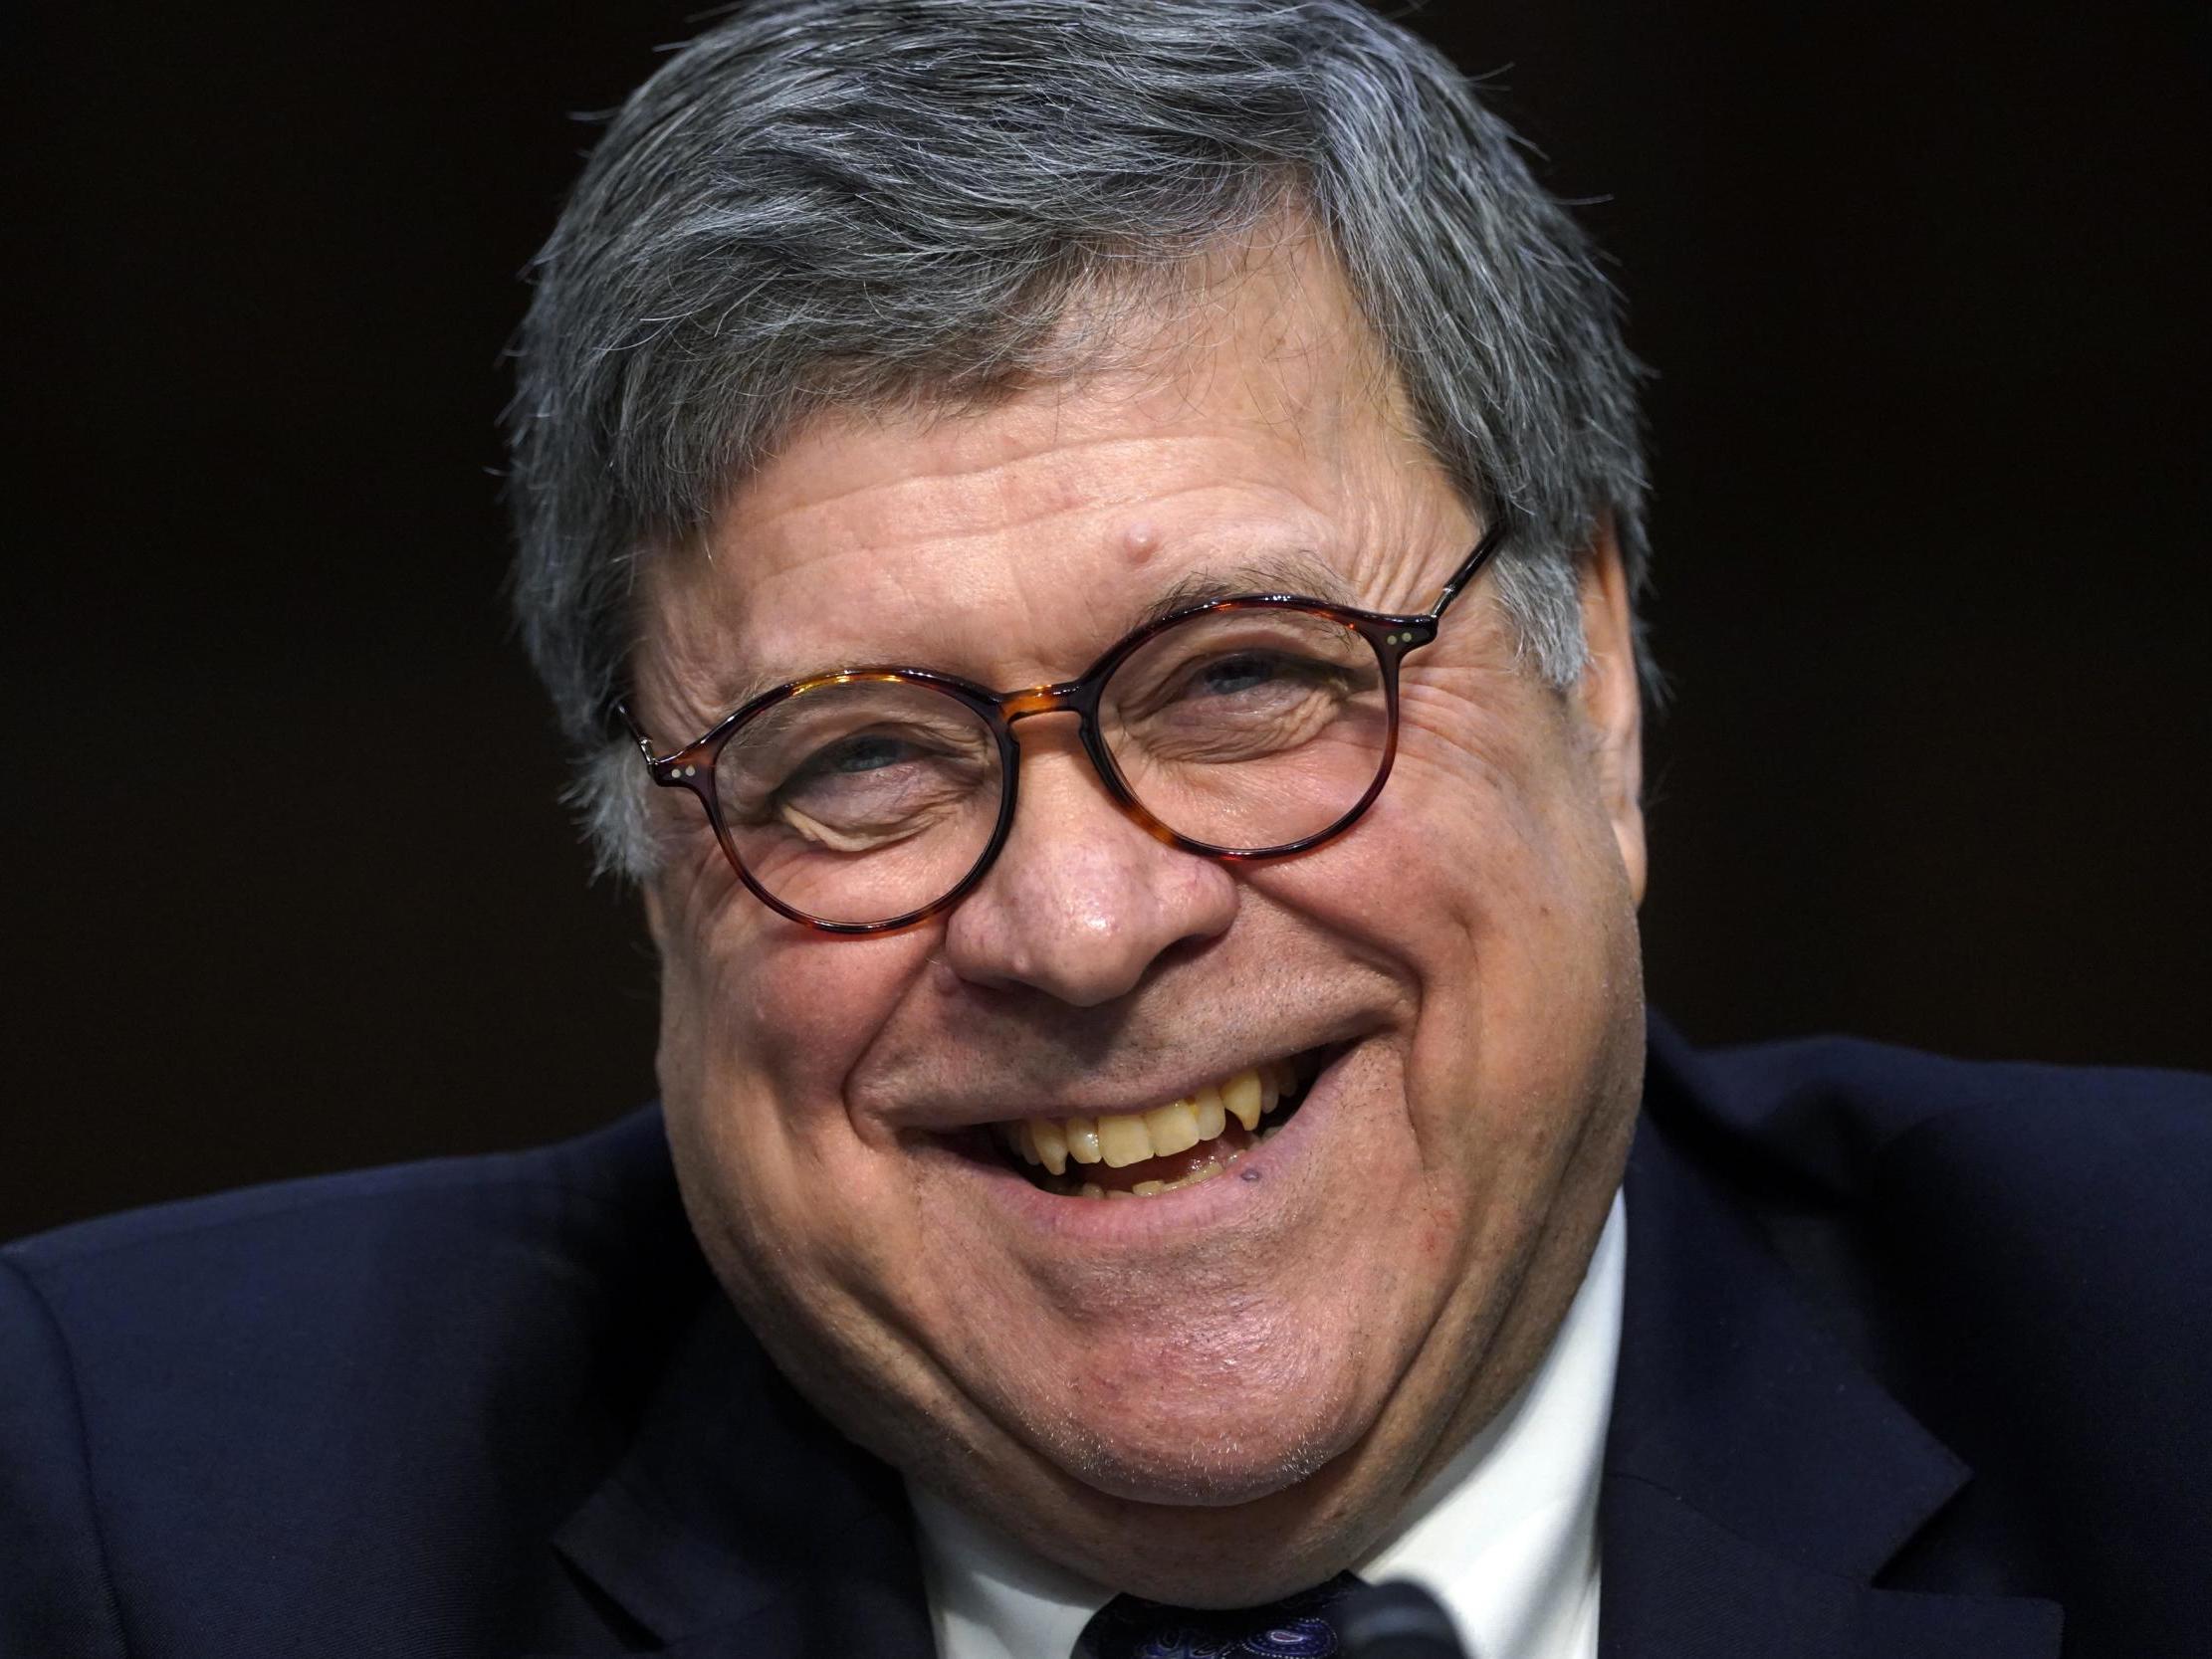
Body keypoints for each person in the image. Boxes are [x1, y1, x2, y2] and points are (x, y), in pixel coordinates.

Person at [2, 2, 2204, 1655]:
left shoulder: (2155, 1359)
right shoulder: (162, 1533)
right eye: (852, 756)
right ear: (653, 858)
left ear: (1596, 678)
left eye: (1245, 676)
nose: (1074, 919)